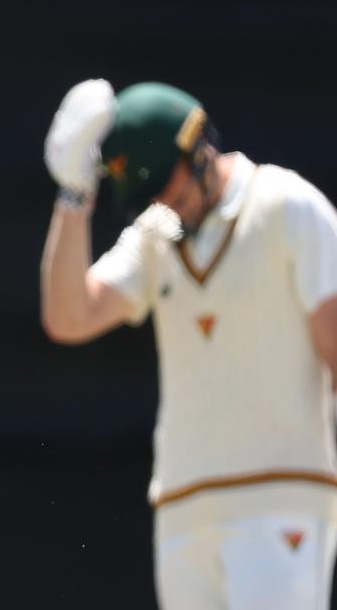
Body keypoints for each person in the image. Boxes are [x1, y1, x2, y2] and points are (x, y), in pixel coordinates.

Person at [40, 80, 337, 608]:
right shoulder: (157, 236)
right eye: (150, 194)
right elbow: (68, 317)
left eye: (169, 186)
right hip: (183, 512)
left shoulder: (287, 207)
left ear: (198, 145)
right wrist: (73, 198)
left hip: (281, 500)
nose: (165, 203)